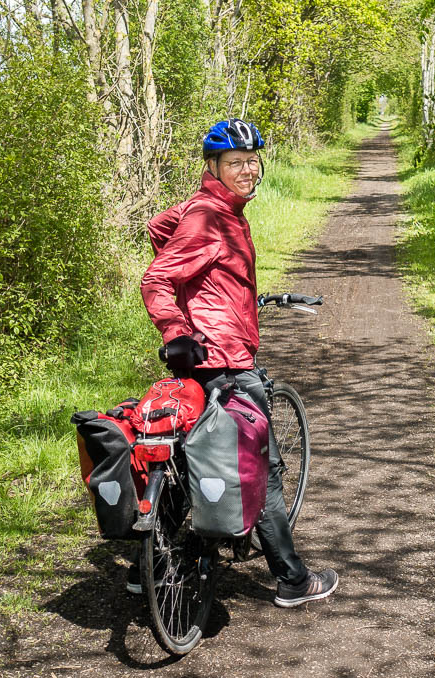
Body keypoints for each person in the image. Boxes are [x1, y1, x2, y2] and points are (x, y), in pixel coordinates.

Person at [134, 118, 338, 608]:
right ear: (213, 166)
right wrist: (177, 328)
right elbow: (155, 279)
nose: (247, 170)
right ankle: (292, 579)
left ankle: (150, 570)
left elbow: (159, 226)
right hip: (223, 358)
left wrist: (203, 293)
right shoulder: (211, 217)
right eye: (234, 163)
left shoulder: (210, 207)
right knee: (258, 468)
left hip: (204, 355)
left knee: (193, 453)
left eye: (252, 161)